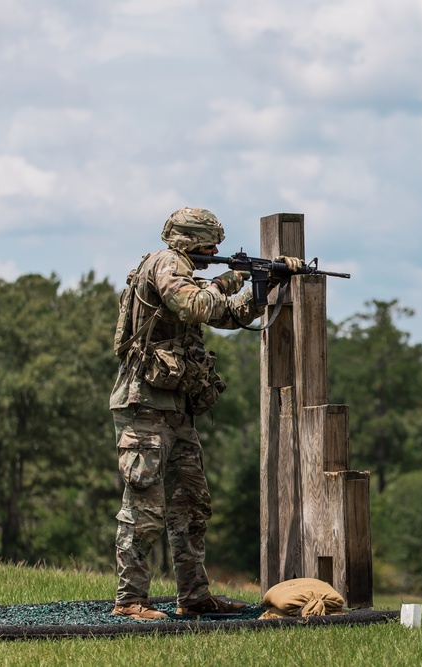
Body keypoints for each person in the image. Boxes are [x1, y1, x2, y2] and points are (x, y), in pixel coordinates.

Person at [108, 207, 303, 621]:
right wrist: (228, 278)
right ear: (189, 241)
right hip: (144, 405)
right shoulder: (166, 264)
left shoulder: (186, 271)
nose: (215, 250)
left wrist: (262, 286)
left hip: (177, 408)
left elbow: (227, 315)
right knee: (144, 508)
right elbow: (196, 304)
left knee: (191, 506)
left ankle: (194, 597)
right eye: (209, 244)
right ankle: (130, 600)